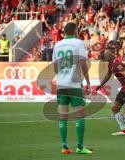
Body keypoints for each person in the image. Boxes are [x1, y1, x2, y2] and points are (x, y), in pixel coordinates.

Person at [52, 22, 92, 155]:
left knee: (63, 117)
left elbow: (55, 66)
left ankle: (64, 147)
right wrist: (87, 81)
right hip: (74, 85)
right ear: (75, 30)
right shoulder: (78, 43)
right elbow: (82, 63)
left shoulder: (57, 45)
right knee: (79, 115)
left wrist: (61, 77)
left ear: (64, 31)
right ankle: (80, 147)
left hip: (61, 85)